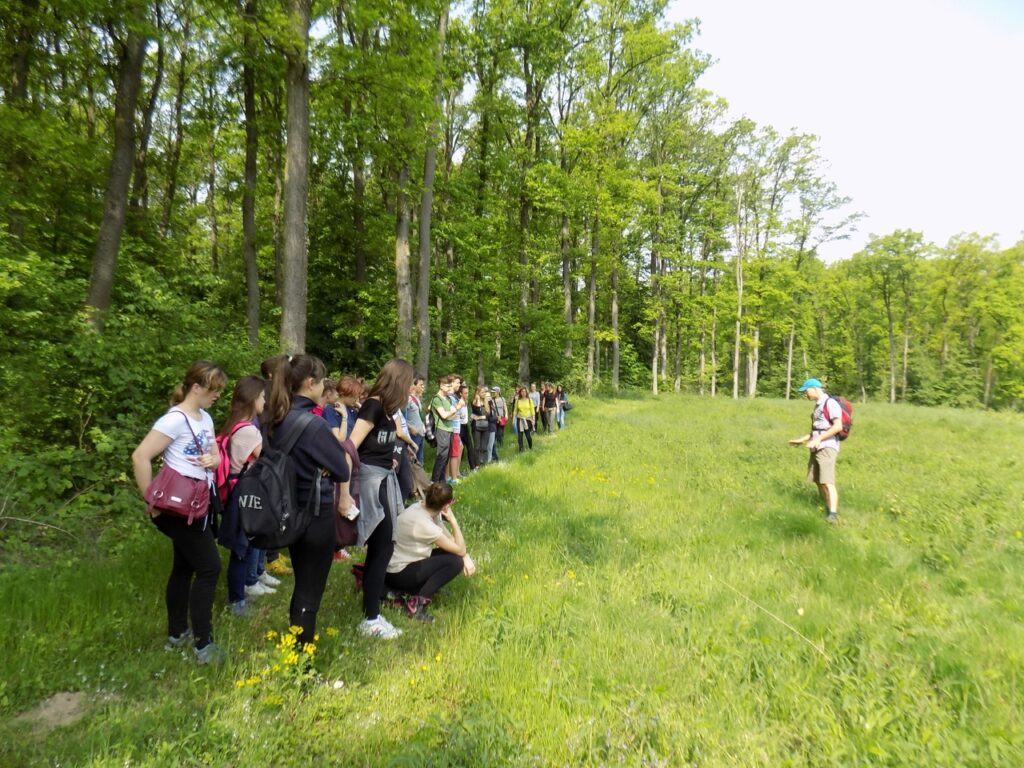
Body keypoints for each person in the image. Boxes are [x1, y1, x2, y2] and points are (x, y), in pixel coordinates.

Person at [131, 361, 226, 664]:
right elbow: (141, 456)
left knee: (184, 567)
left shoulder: (205, 418)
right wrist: (151, 501)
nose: (217, 396)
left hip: (199, 504)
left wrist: (214, 461)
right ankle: (203, 644)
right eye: (213, 390)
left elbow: (214, 453)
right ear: (196, 387)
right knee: (209, 568)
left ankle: (177, 633)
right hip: (176, 508)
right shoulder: (173, 420)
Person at [264, 355, 352, 646]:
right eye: (322, 381)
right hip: (315, 512)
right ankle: (302, 661)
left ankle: (297, 646)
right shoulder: (312, 425)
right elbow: (340, 467)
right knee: (310, 589)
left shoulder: (276, 416)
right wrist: (324, 463)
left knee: (303, 583)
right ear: (311, 383)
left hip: (288, 509)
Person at [343, 358, 415, 639]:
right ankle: (370, 618)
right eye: (408, 383)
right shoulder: (373, 406)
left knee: (384, 547)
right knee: (381, 546)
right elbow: (351, 446)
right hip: (372, 482)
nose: (410, 389)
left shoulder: (388, 409)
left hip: (386, 477)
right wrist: (345, 492)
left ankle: (373, 606)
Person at [216, 375, 278, 618]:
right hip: (244, 494)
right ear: (253, 398)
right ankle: (237, 599)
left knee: (243, 546)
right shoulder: (249, 432)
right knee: (242, 548)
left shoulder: (234, 425)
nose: (265, 401)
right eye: (262, 397)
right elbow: (268, 459)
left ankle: (241, 592)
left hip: (236, 492)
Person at [385, 482, 475, 623]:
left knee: (453, 556)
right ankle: (416, 606)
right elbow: (460, 549)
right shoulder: (425, 525)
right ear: (447, 505)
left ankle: (423, 589)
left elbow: (452, 543)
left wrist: (465, 556)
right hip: (398, 573)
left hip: (396, 566)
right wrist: (453, 520)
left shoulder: (422, 508)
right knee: (455, 563)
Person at [788, 378, 844, 523]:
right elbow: (817, 430)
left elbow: (838, 426)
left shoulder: (830, 403)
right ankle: (827, 508)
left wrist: (819, 439)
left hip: (827, 447)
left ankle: (833, 514)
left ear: (814, 388)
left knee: (827, 481)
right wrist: (803, 439)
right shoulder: (818, 406)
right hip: (816, 447)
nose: (805, 395)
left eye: (806, 391)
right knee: (818, 480)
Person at [429, 375, 459, 483]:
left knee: (446, 458)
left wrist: (450, 413)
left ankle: (442, 482)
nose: (450, 388)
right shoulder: (436, 399)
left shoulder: (447, 399)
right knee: (441, 456)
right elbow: (444, 415)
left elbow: (452, 415)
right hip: (441, 430)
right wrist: (454, 410)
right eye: (448, 386)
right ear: (441, 386)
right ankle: (434, 481)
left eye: (451, 386)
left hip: (450, 429)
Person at [470, 386, 491, 467]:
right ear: (477, 393)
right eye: (482, 392)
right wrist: (478, 399)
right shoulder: (473, 402)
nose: (484, 394)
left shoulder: (488, 402)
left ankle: (485, 465)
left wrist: (482, 417)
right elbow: (478, 411)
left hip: (486, 427)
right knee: (477, 447)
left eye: (484, 392)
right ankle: (477, 465)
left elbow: (489, 415)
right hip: (476, 427)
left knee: (484, 447)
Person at [512, 386, 536, 452]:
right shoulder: (517, 400)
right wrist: (514, 420)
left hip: (528, 419)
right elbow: (515, 411)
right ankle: (521, 450)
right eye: (522, 391)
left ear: (526, 392)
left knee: (528, 435)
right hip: (520, 419)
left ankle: (530, 447)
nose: (523, 393)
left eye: (525, 391)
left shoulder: (529, 400)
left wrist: (533, 420)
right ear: (520, 392)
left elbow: (532, 411)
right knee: (520, 436)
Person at [491, 386, 506, 461]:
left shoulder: (502, 399)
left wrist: (506, 415)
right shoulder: (491, 400)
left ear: (498, 392)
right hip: (495, 418)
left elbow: (505, 407)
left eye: (494, 391)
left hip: (502, 418)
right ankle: (495, 445)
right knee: (495, 433)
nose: (493, 392)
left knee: (500, 433)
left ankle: (501, 444)